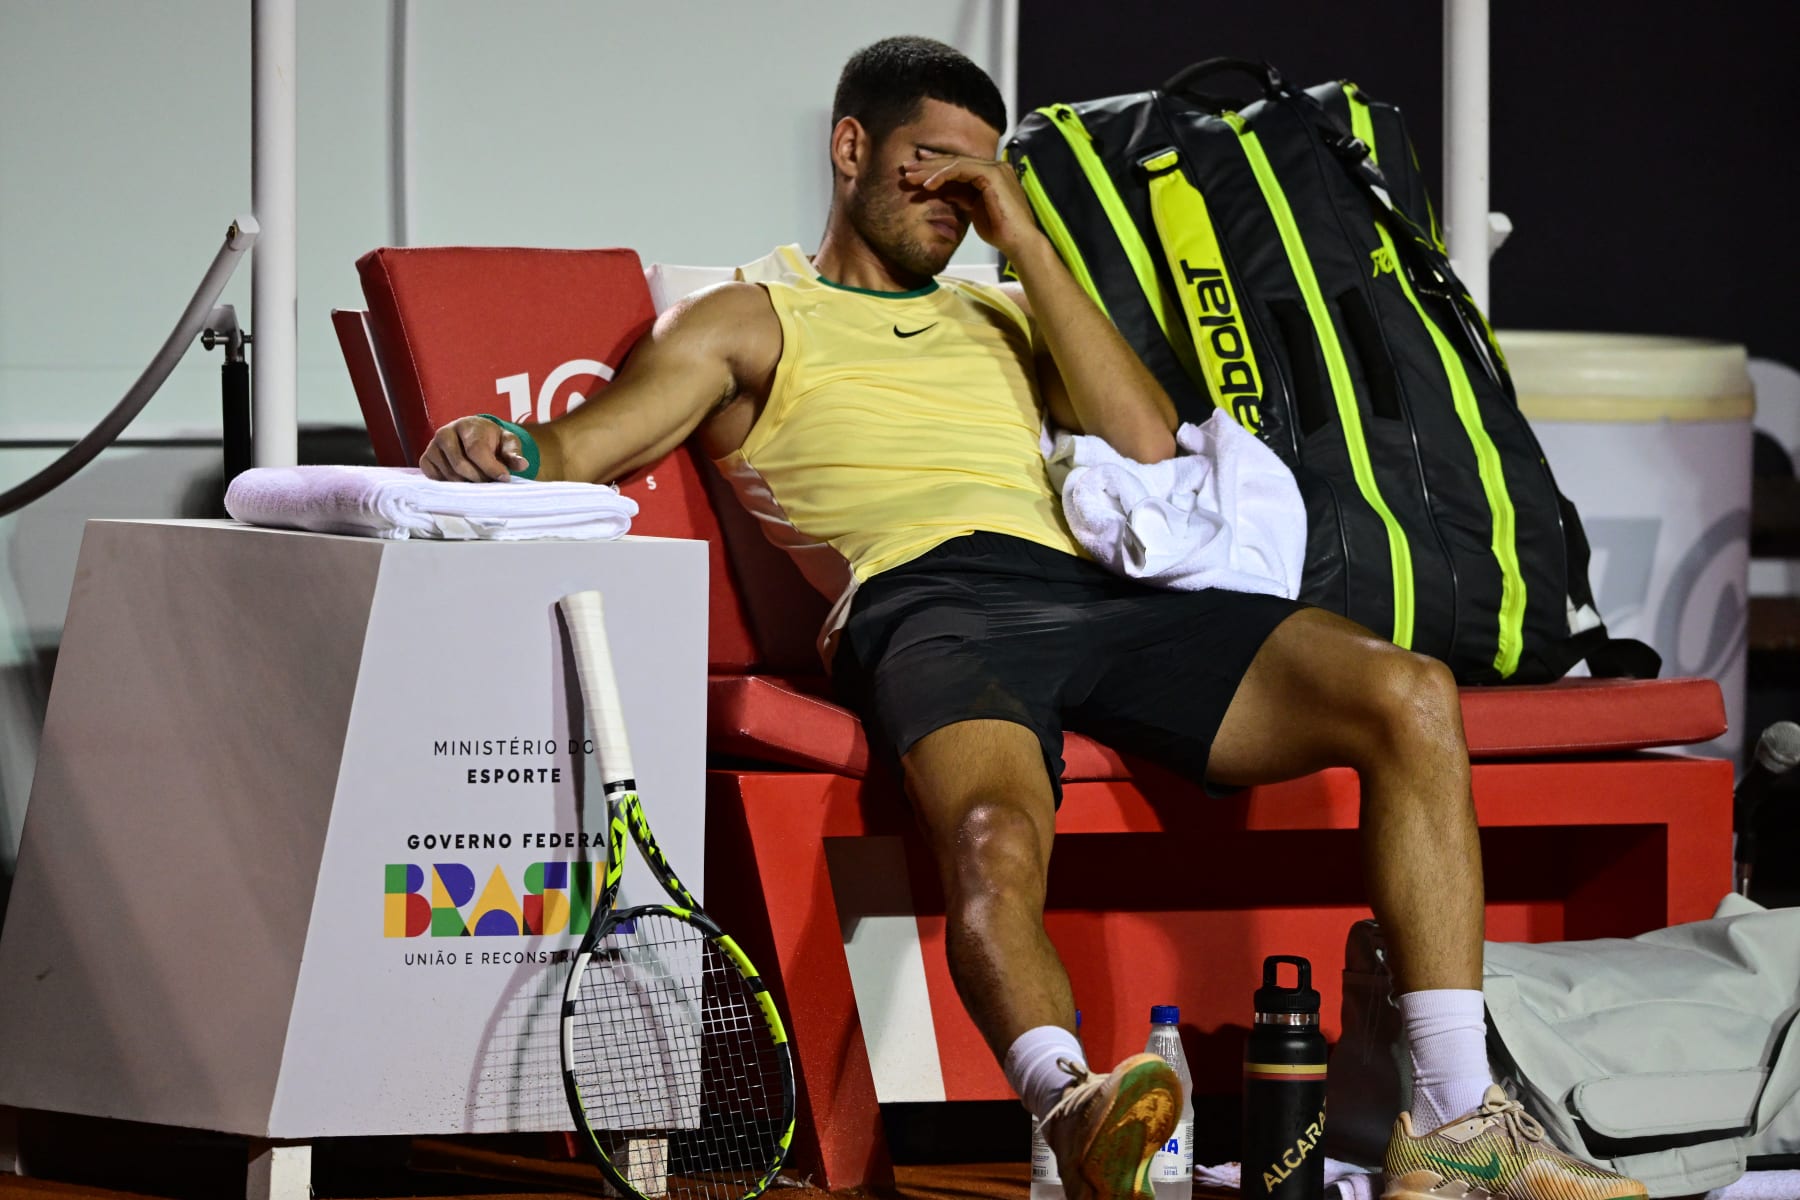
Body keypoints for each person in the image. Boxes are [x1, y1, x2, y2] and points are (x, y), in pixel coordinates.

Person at [421, 35, 1647, 1200]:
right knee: (995, 839)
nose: (950, 200)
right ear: (850, 150)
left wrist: (1022, 233)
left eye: (975, 178)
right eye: (927, 168)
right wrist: (499, 443)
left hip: (1096, 596)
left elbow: (1146, 441)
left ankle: (1456, 1123)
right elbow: (581, 444)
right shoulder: (752, 316)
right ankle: (1071, 1105)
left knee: (1412, 693)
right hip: (926, 604)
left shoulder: (1004, 311)